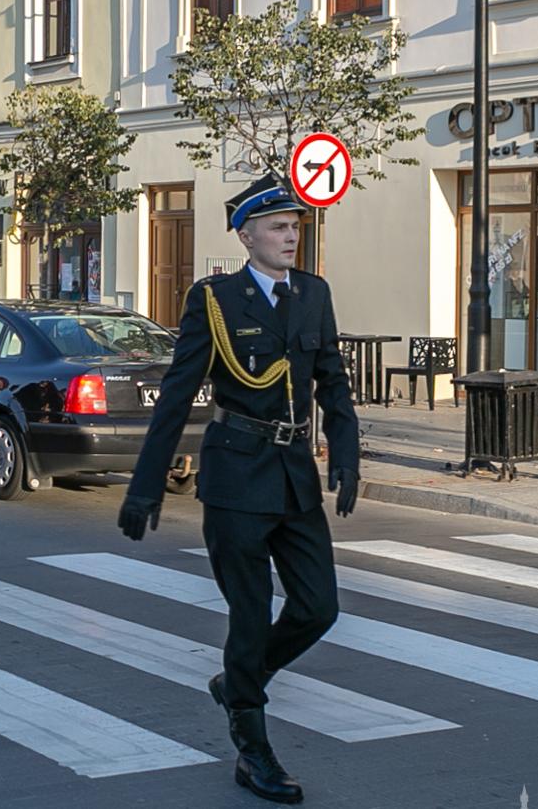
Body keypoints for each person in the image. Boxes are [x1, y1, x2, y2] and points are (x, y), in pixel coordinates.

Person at [119, 176, 358, 805]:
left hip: (294, 477)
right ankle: (254, 750)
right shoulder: (215, 300)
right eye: (278, 227)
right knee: (249, 618)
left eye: (296, 226)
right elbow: (177, 393)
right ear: (246, 235)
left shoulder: (313, 294)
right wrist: (146, 486)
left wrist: (349, 455)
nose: (290, 236)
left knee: (318, 608)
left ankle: (239, 680)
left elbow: (332, 379)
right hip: (234, 476)